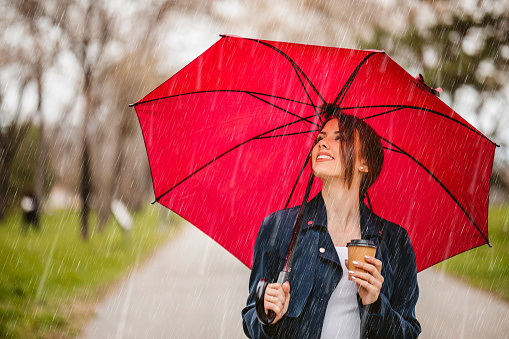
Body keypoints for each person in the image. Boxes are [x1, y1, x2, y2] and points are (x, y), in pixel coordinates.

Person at [242, 108, 421, 338]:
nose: (323, 143)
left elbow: (409, 333)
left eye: (339, 138)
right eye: (320, 138)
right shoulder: (279, 227)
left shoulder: (395, 241)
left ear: (364, 162)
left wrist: (375, 305)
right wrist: (268, 318)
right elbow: (251, 319)